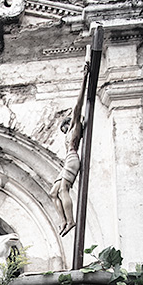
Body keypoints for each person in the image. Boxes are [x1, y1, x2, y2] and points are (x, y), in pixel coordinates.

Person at [49, 63, 89, 237]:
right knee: (53, 193)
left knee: (63, 189)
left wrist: (84, 78)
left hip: (72, 159)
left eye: (63, 126)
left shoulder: (75, 127)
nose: (63, 129)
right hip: (68, 159)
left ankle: (70, 220)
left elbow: (78, 105)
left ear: (68, 123)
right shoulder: (69, 133)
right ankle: (64, 220)